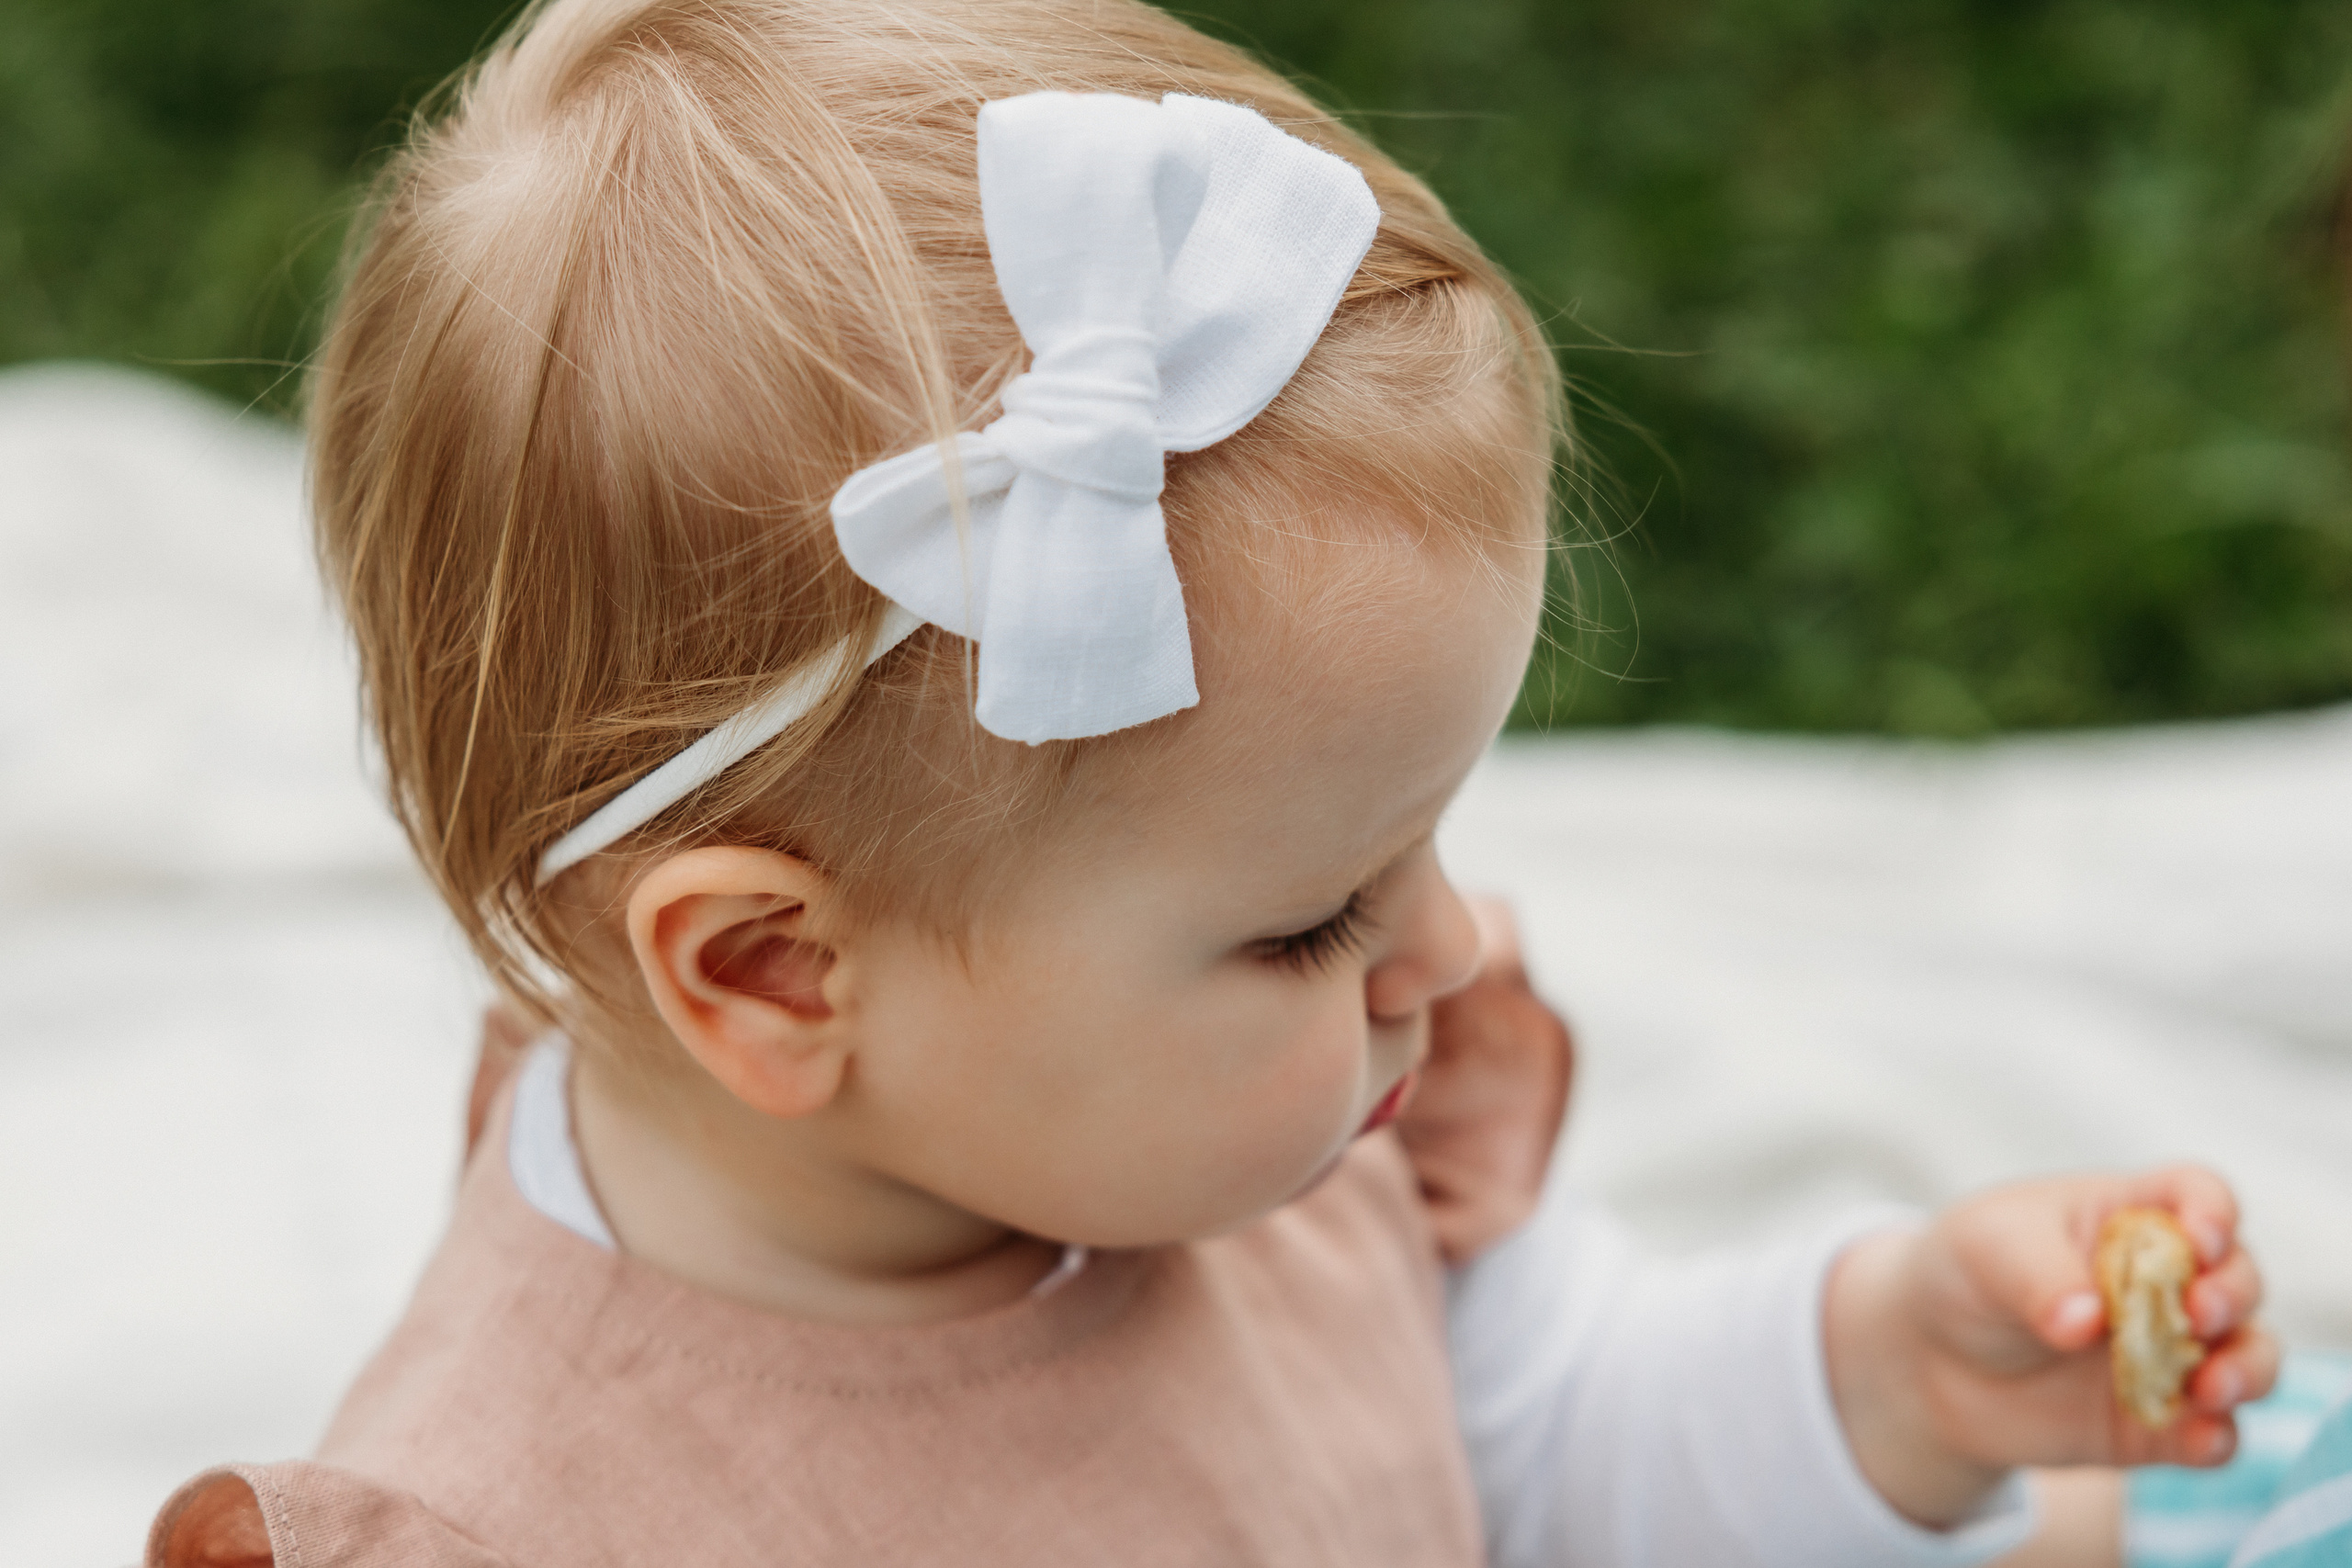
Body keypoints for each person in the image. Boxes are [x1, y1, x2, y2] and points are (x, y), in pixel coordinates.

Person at [143, 0, 2275, 1562]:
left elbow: (1500, 1455)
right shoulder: (543, 1517)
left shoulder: (1261, 1129)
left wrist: (1886, 1378)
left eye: (1419, 844)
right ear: (780, 973)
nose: (1438, 951)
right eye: (1311, 914)